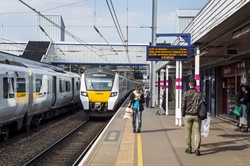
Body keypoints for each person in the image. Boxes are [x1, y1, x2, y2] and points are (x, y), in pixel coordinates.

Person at [181, 79, 204, 156]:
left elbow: (183, 105)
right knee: (197, 132)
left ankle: (188, 149)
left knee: (188, 133)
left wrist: (183, 114)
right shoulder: (199, 94)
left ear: (189, 84)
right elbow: (204, 103)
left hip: (187, 115)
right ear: (196, 85)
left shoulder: (185, 94)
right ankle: (197, 150)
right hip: (196, 115)